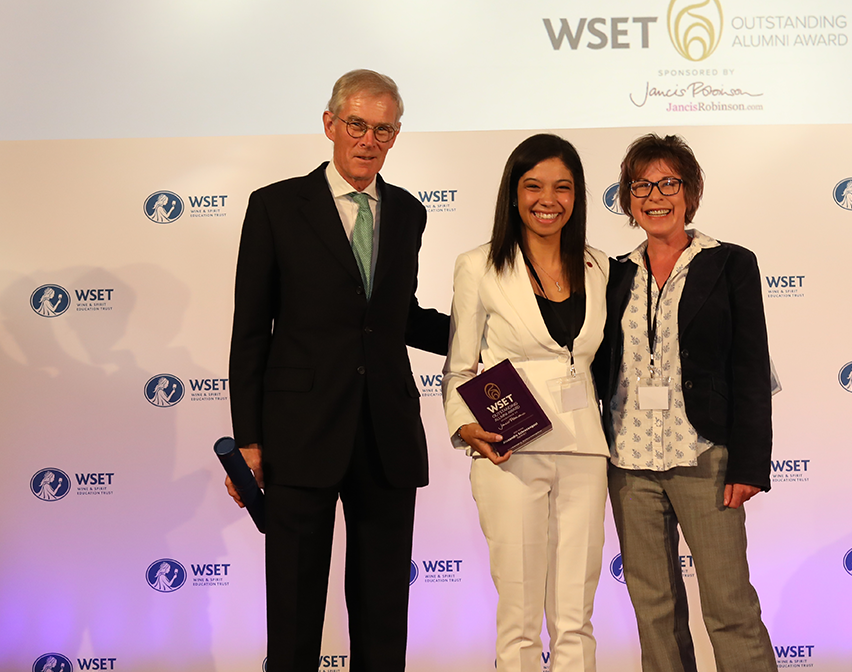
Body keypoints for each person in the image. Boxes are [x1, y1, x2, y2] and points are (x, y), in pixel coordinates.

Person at [226, 69, 449, 672]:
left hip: (386, 436)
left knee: (383, 614)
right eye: (357, 124)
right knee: (295, 611)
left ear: (395, 137)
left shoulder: (407, 212)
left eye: (384, 129)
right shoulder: (274, 206)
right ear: (330, 124)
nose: (368, 139)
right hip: (299, 434)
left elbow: (398, 317)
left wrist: (491, 332)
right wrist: (249, 438)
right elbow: (251, 330)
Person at [593, 134, 777, 672]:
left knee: (728, 605)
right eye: (641, 185)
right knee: (654, 611)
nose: (655, 195)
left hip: (705, 458)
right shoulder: (613, 273)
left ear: (690, 192)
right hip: (628, 462)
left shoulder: (730, 264)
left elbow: (750, 368)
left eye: (668, 182)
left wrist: (749, 463)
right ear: (627, 198)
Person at [442, 134, 610, 672]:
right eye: (534, 185)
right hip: (510, 451)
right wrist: (464, 426)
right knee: (518, 614)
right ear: (513, 193)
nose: (549, 199)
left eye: (563, 187)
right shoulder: (478, 266)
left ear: (578, 196)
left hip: (585, 449)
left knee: (575, 614)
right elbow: (459, 365)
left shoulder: (600, 267)